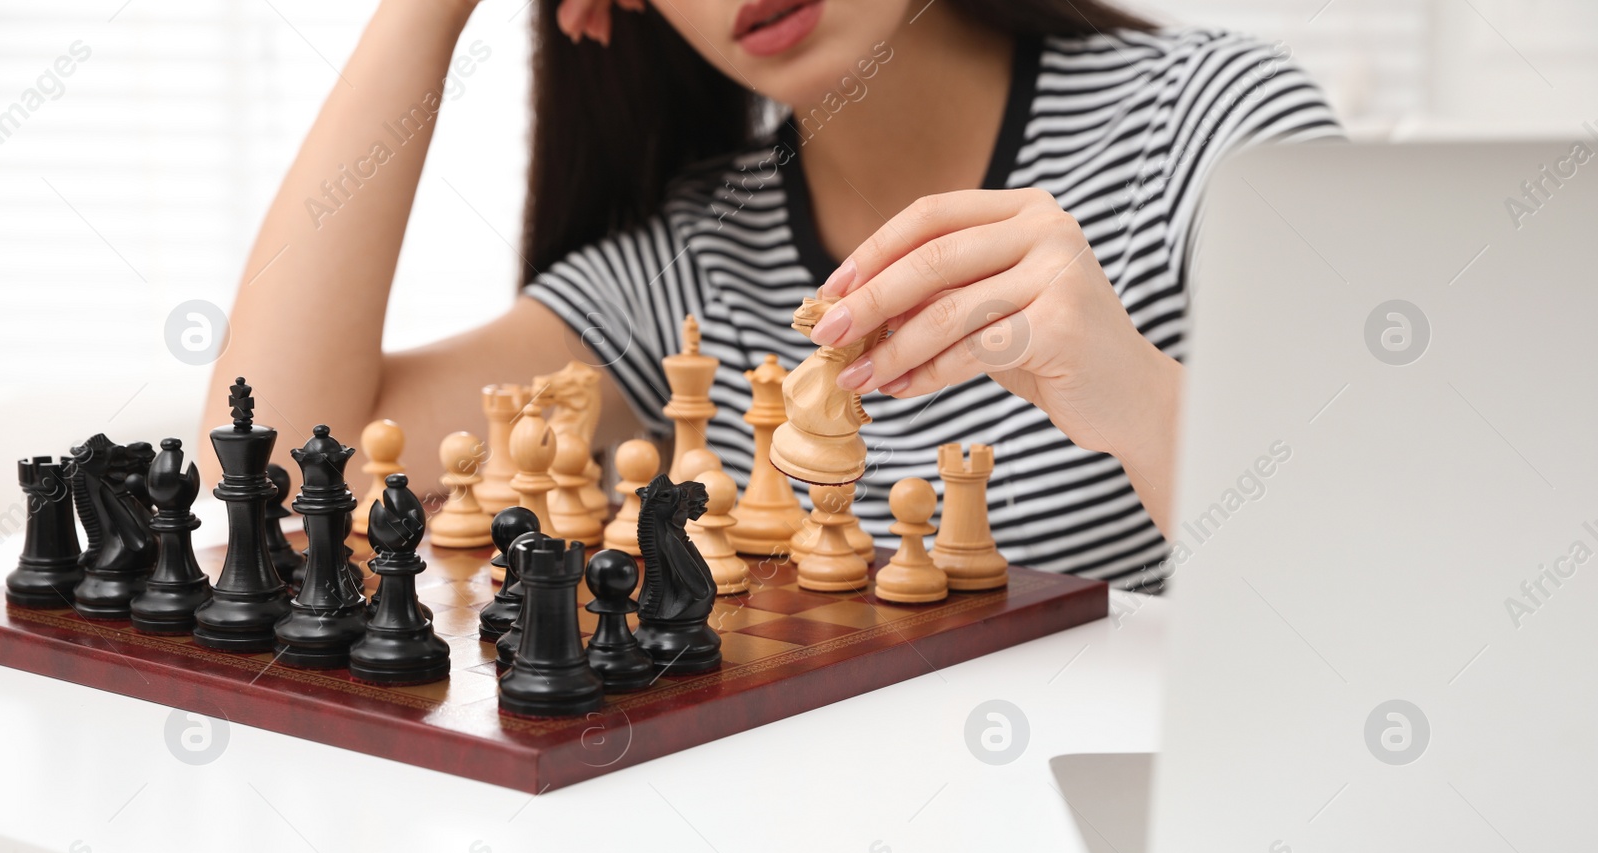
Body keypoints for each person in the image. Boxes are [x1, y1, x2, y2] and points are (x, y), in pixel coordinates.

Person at [201, 0, 1338, 590]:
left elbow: (1382, 563)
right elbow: (279, 463)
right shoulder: (686, 269)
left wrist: (1141, 398)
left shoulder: (1208, 129)